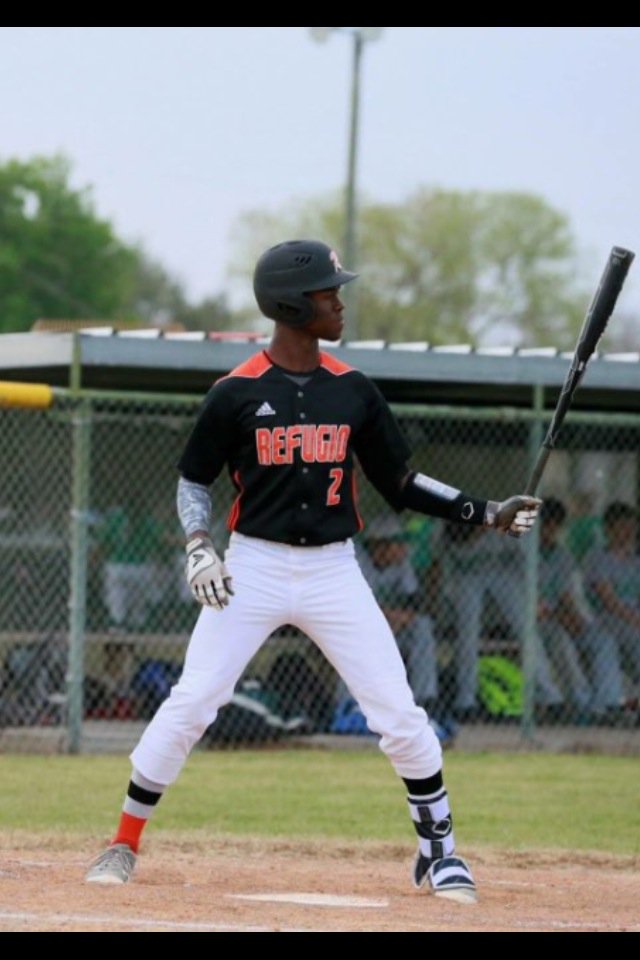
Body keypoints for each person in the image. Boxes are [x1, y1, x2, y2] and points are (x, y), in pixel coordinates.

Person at [85, 239, 541, 903]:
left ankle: (438, 852)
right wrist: (197, 545)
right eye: (329, 293)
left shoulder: (353, 390)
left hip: (333, 571)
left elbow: (402, 482)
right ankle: (122, 842)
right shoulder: (234, 393)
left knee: (398, 711)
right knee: (193, 701)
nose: (340, 302)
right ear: (292, 304)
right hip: (253, 566)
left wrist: (488, 510)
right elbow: (193, 479)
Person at [435, 522, 563, 720]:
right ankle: (466, 700)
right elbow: (442, 570)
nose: (472, 544)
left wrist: (534, 597)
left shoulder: (503, 526)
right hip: (467, 576)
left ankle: (550, 695)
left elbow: (526, 562)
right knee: (467, 634)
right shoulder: (445, 531)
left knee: (526, 631)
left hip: (504, 573)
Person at [537, 499, 624, 722]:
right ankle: (582, 705)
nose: (551, 530)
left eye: (555, 526)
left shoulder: (561, 555)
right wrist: (562, 618)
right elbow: (529, 606)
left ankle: (608, 704)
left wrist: (575, 617)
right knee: (561, 640)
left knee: (602, 639)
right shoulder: (523, 553)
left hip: (561, 617)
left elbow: (566, 595)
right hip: (538, 623)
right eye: (546, 524)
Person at [357, 514, 439, 712]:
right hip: (360, 630)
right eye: (398, 543)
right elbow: (358, 608)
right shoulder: (357, 561)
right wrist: (392, 618)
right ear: (380, 546)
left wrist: (400, 619)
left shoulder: (401, 562)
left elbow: (416, 602)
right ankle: (350, 704)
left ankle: (425, 699)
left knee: (422, 626)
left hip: (392, 628)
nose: (403, 549)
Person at [584, 502, 640, 706]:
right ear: (608, 529)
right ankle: (610, 704)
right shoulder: (597, 557)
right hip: (605, 619)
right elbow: (609, 602)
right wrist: (636, 620)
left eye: (632, 526)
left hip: (632, 621)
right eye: (622, 526)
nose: (628, 532)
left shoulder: (636, 559)